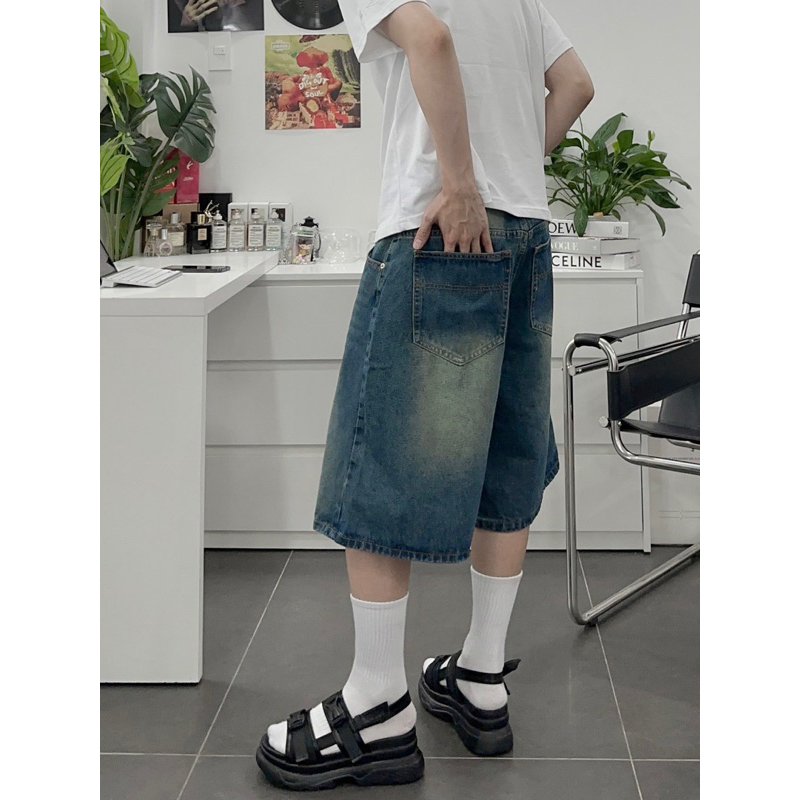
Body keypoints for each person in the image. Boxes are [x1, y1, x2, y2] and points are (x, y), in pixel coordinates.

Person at [256, 0, 594, 790]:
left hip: (438, 230)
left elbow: (430, 38)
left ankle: (376, 705)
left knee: (381, 458)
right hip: (525, 232)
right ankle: (480, 677)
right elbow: (575, 85)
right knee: (507, 455)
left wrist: (464, 184)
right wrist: (508, 179)